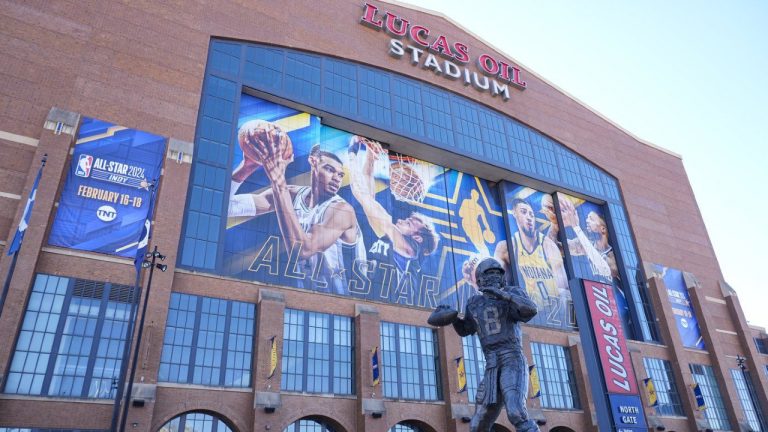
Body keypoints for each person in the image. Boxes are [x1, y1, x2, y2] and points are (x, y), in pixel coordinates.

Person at [228, 121, 365, 295]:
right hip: (304, 300)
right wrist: (247, 166)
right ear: (313, 162)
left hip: (342, 305)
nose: (337, 178)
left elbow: (303, 250)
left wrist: (278, 181)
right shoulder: (292, 195)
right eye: (329, 170)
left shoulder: (342, 210)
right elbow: (225, 208)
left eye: (340, 174)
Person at [450, 257, 540, 432]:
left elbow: (531, 309)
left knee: (516, 412)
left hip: (511, 358)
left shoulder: (512, 293)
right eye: (488, 274)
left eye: (496, 273)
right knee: (477, 424)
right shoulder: (474, 303)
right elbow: (465, 329)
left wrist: (504, 295)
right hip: (491, 364)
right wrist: (453, 318)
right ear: (480, 279)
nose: (493, 277)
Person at [347, 136, 439, 297]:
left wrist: (352, 153)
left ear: (418, 238)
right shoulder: (396, 243)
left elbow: (360, 193)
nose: (401, 220)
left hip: (389, 308)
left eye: (409, 223)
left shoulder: (406, 247)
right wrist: (370, 158)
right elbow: (369, 199)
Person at [508, 198, 568, 306]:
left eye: (531, 214)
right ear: (514, 214)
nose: (529, 217)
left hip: (555, 312)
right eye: (524, 212)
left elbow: (564, 290)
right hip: (532, 312)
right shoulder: (510, 246)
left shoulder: (548, 246)